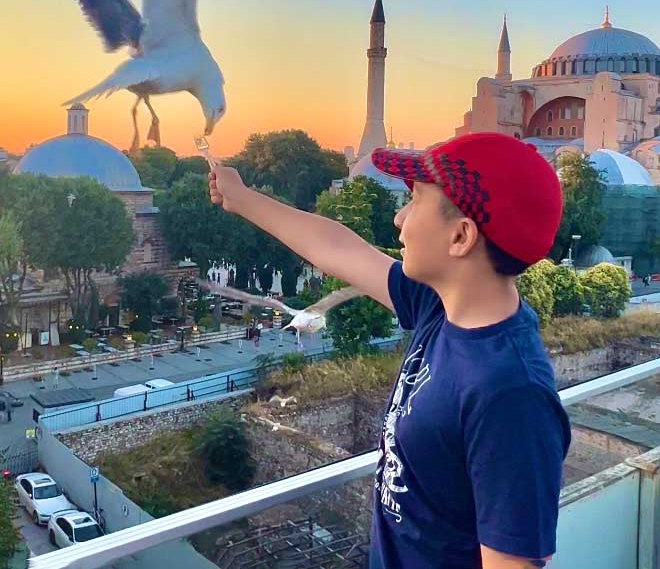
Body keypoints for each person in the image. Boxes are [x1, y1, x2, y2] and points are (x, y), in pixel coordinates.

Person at [208, 133, 570, 569]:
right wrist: (242, 198)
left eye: (415, 200)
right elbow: (337, 249)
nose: (399, 218)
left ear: (460, 236)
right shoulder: (439, 306)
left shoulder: (510, 393)